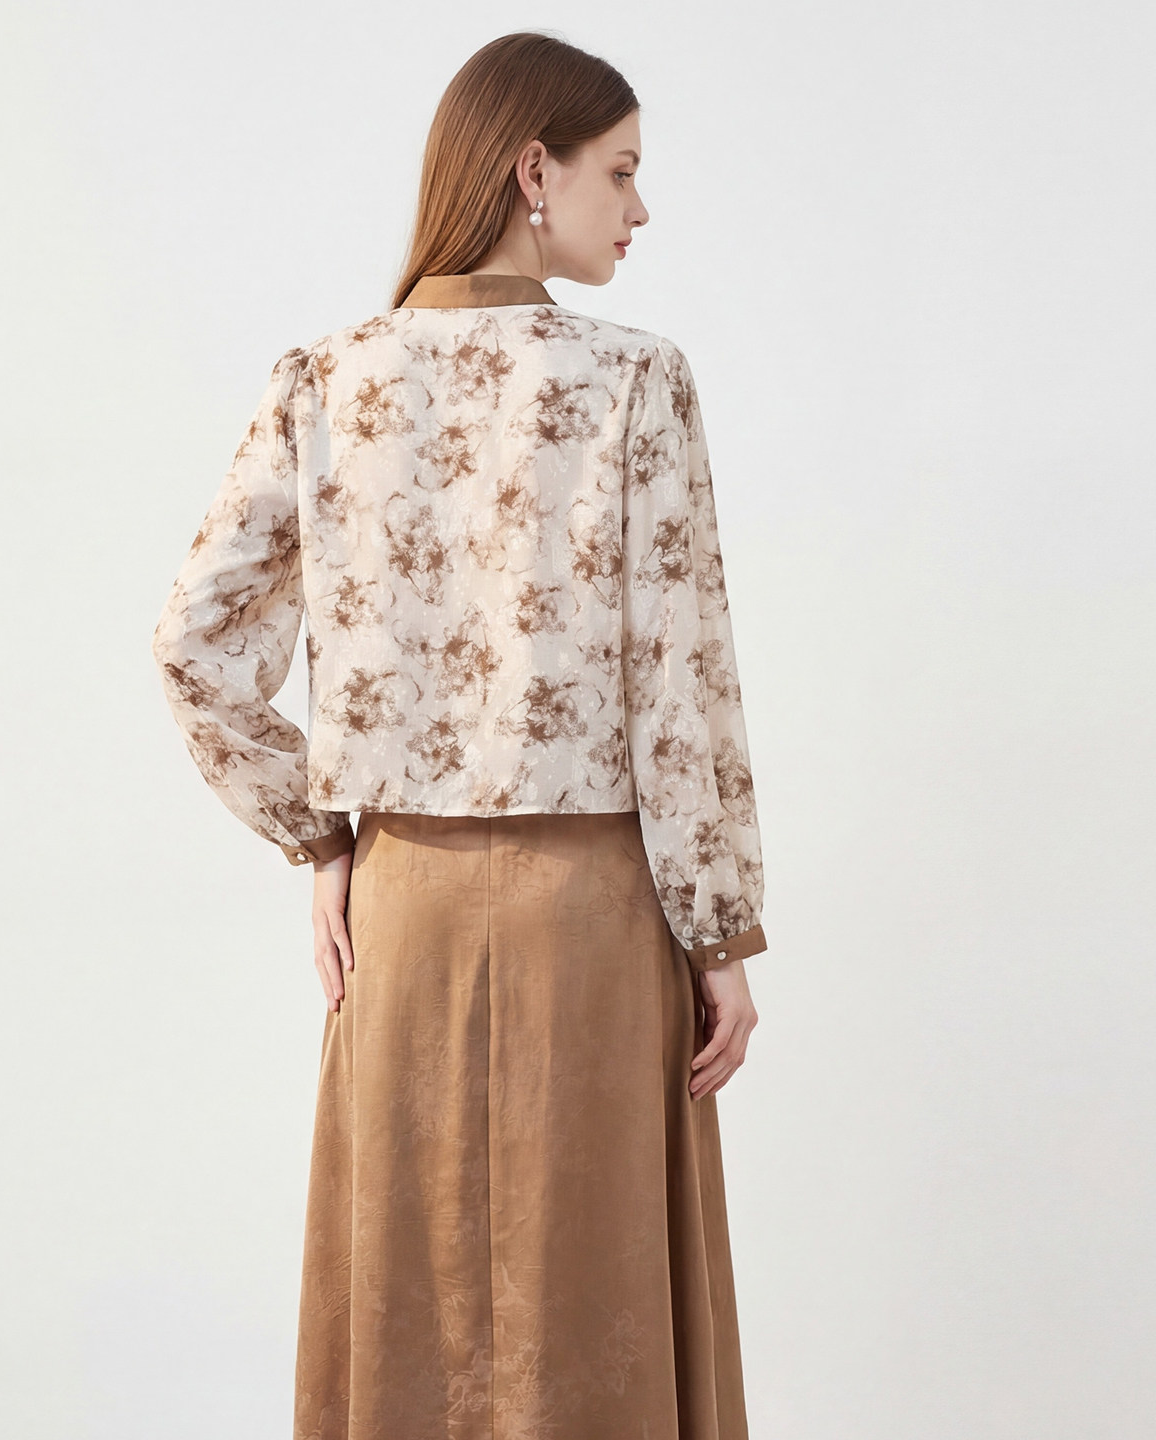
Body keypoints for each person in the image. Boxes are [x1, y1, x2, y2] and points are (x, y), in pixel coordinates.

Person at [150, 29, 768, 1439]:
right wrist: (720, 931)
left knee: (412, 1310)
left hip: (405, 908)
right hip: (594, 914)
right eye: (621, 171)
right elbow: (679, 679)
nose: (641, 207)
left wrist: (322, 841)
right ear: (533, 171)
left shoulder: (327, 379)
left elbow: (193, 644)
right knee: (596, 1303)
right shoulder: (634, 380)